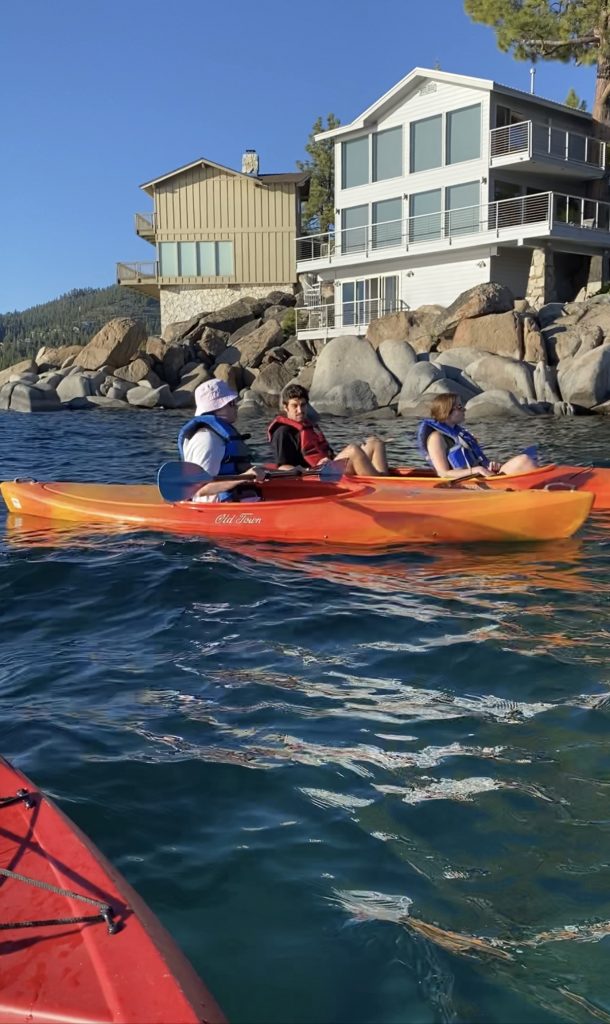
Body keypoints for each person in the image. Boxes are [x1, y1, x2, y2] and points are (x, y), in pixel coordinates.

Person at [268, 384, 390, 476]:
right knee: (353, 450)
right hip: (317, 475)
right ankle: (381, 487)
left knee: (375, 442)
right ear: (285, 407)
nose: (300, 410)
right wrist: (306, 470)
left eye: (303, 405)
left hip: (328, 467)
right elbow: (282, 467)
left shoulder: (308, 426)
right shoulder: (283, 432)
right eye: (295, 406)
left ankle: (386, 481)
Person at [178, 379, 268, 502]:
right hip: (213, 511)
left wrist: (284, 471)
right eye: (231, 403)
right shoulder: (207, 440)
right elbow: (199, 490)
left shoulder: (217, 436)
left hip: (231, 501)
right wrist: (242, 478)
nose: (236, 406)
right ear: (215, 409)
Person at [417, 393, 538, 480]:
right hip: (466, 484)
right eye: (459, 407)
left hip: (482, 478)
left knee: (526, 458)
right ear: (446, 411)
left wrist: (490, 466)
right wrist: (476, 470)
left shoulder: (460, 435)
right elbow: (443, 473)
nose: (464, 409)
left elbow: (477, 462)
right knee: (524, 461)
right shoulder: (436, 438)